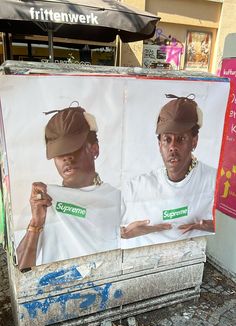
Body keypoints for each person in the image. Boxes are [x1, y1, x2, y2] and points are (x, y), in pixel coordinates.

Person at [16, 104, 120, 269]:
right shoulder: (45, 202)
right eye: (59, 153)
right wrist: (36, 223)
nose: (66, 158)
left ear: (94, 149)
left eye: (74, 148)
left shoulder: (117, 199)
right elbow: (21, 272)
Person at [121, 94, 216, 249]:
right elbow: (101, 229)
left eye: (181, 139)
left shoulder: (214, 182)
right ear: (159, 144)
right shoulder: (136, 187)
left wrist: (218, 228)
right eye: (167, 139)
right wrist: (123, 233)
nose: (172, 147)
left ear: (194, 141)